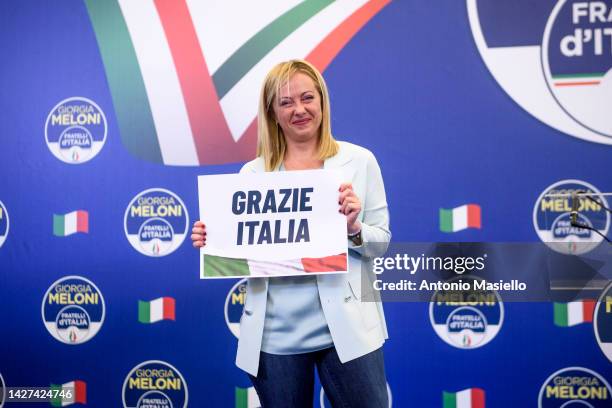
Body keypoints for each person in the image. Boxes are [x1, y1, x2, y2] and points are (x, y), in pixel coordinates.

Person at [191, 59, 391, 407]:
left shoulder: (360, 161)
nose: (299, 109)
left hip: (348, 328)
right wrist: (215, 241)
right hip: (275, 336)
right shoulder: (252, 175)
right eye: (286, 102)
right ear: (272, 112)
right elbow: (241, 257)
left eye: (307, 98)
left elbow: (381, 245)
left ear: (322, 102)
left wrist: (354, 228)